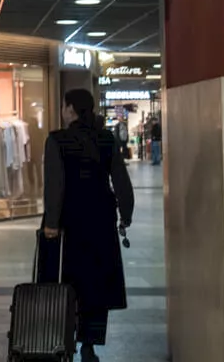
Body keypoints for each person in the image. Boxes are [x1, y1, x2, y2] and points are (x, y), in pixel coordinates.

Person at [42, 89, 136, 362]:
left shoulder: (57, 140)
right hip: (101, 220)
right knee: (96, 281)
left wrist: (51, 223)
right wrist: (125, 215)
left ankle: (64, 337)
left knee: (68, 280)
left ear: (70, 109)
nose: (62, 110)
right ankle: (89, 344)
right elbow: (121, 181)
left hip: (71, 222)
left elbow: (55, 185)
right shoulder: (105, 139)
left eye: (63, 106)